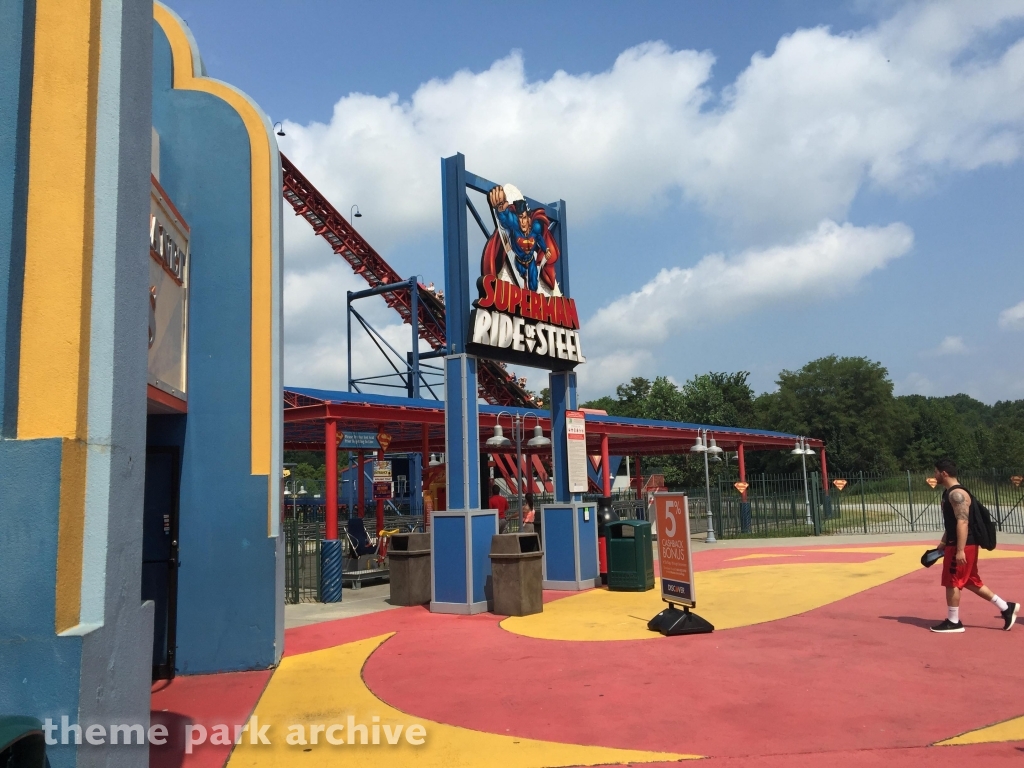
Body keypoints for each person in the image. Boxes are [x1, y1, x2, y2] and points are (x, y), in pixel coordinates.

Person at [930, 458, 1018, 633]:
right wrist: (943, 541)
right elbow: (952, 523)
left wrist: (960, 550)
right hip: (957, 543)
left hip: (962, 545)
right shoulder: (949, 493)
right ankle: (1006, 607)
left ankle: (954, 622)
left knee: (952, 582)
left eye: (936, 472)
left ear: (944, 473)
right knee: (971, 581)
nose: (934, 475)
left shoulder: (957, 494)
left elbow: (962, 522)